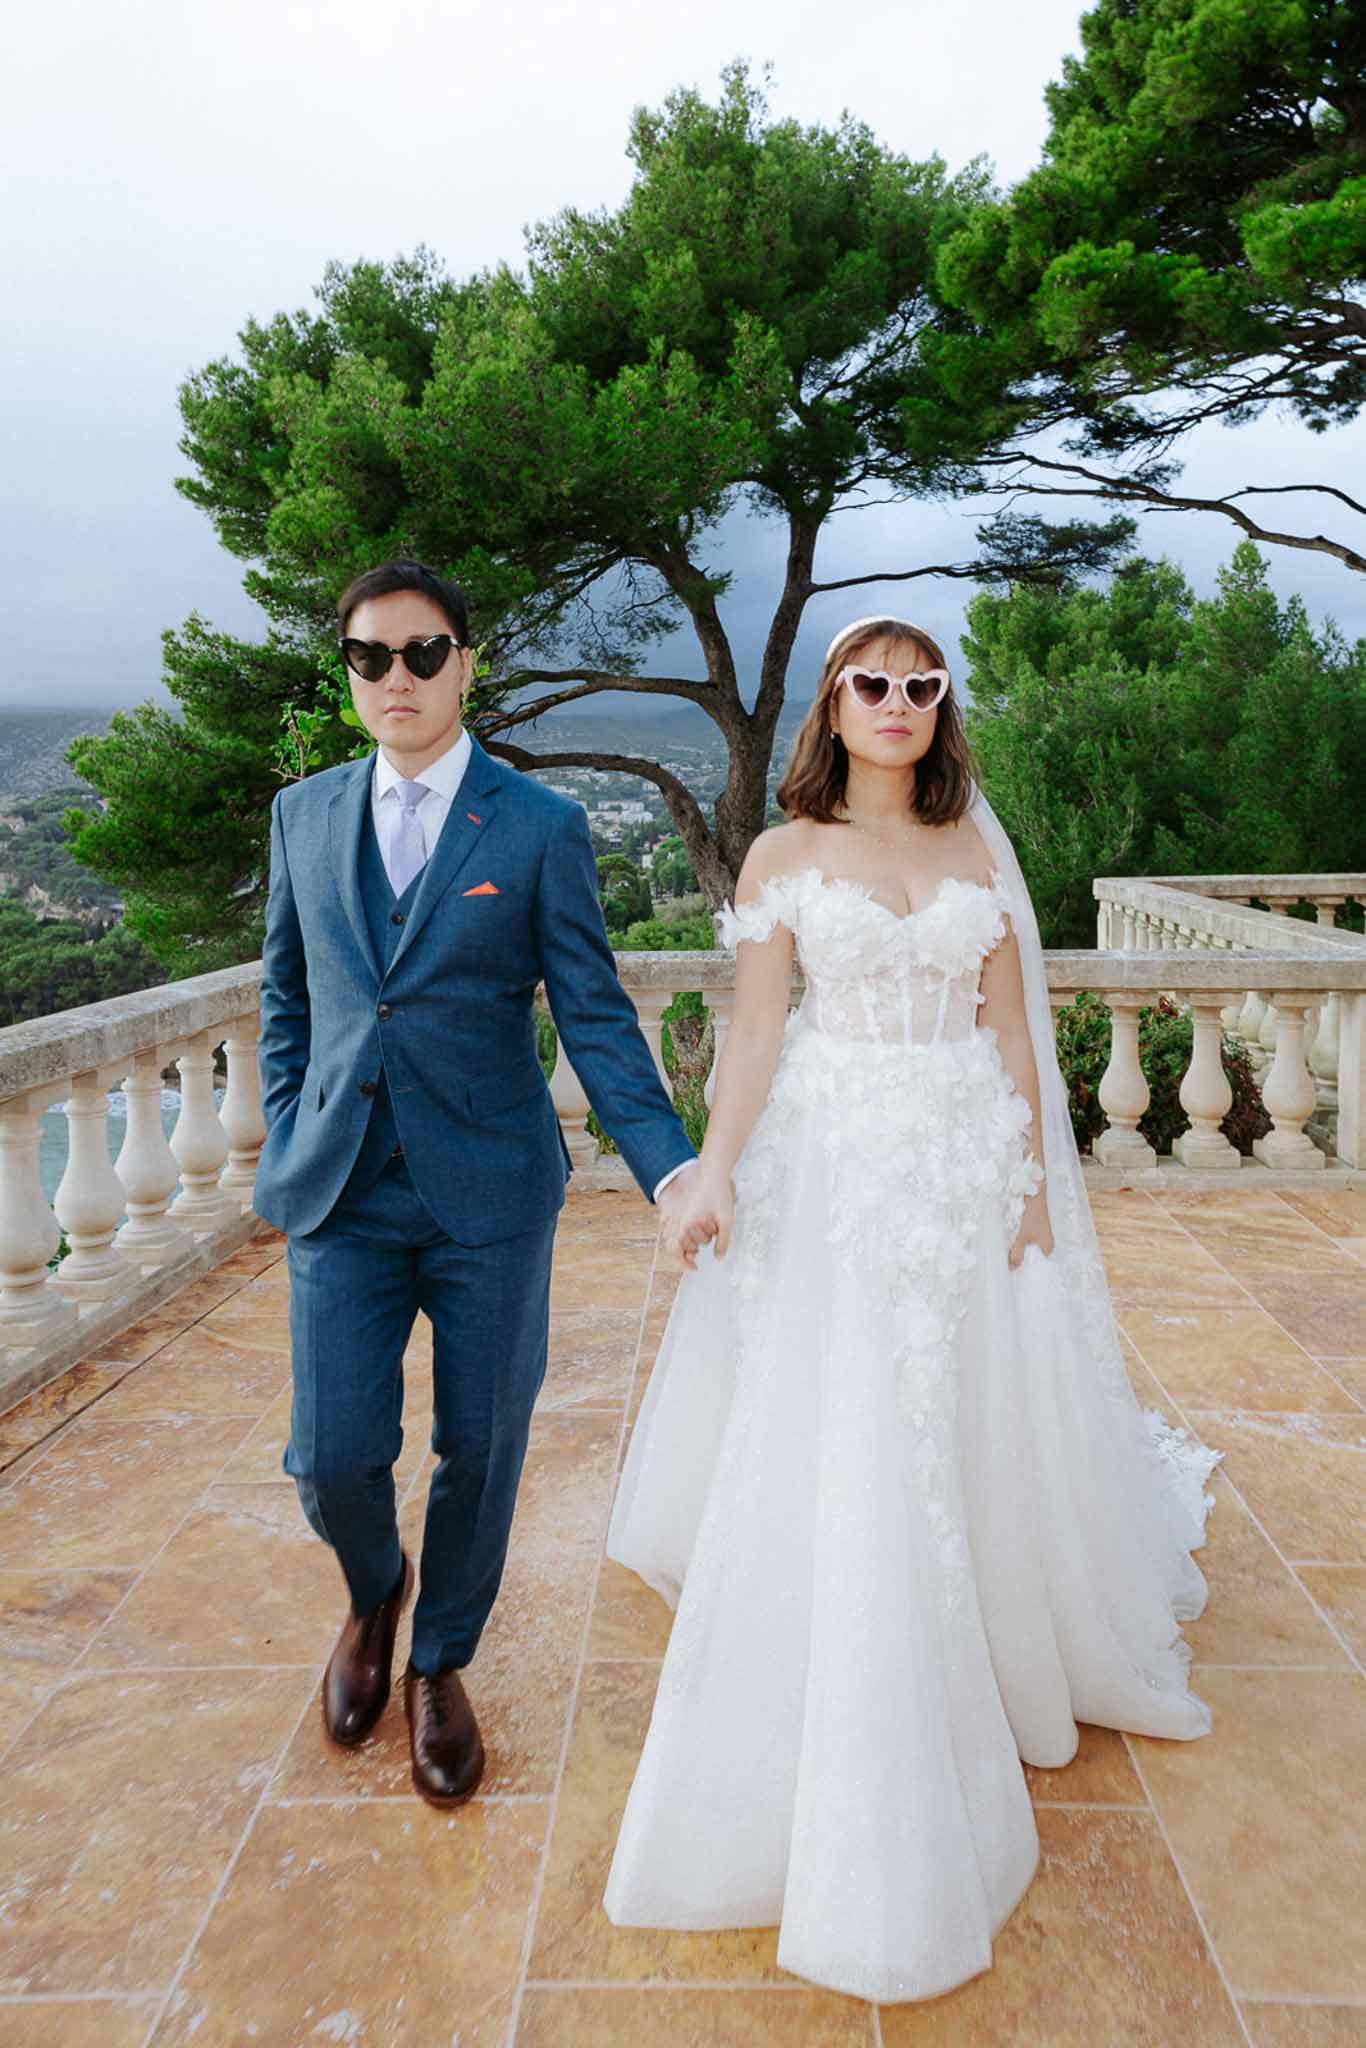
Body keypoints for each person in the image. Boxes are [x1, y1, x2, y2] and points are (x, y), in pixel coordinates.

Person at [603, 615, 1221, 2004]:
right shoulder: (782, 856)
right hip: (828, 1161)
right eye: (870, 684)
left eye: (919, 686)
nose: (895, 703)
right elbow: (757, 1031)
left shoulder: (971, 855)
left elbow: (1010, 1028)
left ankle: (989, 1643)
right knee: (851, 1408)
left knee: (962, 1399)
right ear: (834, 705)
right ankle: (856, 1652)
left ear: (942, 711)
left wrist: (1031, 1187)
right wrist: (712, 1166)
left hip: (956, 1152)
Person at [254, 558, 698, 1808]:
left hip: (492, 1190)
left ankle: (438, 1661)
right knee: (331, 1455)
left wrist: (666, 1167)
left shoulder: (540, 827)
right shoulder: (302, 815)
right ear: (349, 672)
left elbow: (598, 1020)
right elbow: (288, 996)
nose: (396, 676)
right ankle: (371, 1592)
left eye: (423, 652)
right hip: (340, 1189)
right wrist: (291, 1121)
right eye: (370, 656)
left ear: (465, 661)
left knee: (483, 1444)